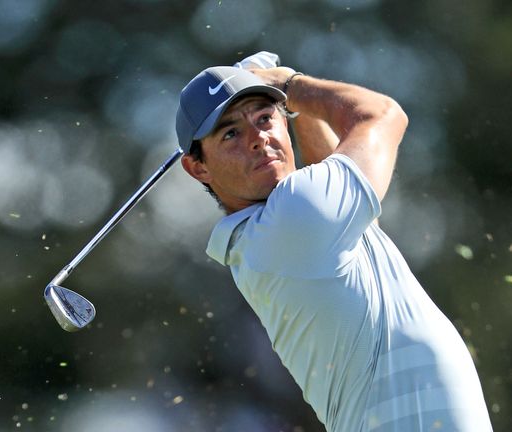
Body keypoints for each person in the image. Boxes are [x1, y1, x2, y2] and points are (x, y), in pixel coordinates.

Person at [175, 56, 493, 431]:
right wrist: (291, 85)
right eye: (230, 134)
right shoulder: (294, 216)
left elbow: (334, 180)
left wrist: (298, 108)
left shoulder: (276, 229)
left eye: (264, 118)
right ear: (198, 168)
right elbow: (383, 115)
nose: (258, 138)